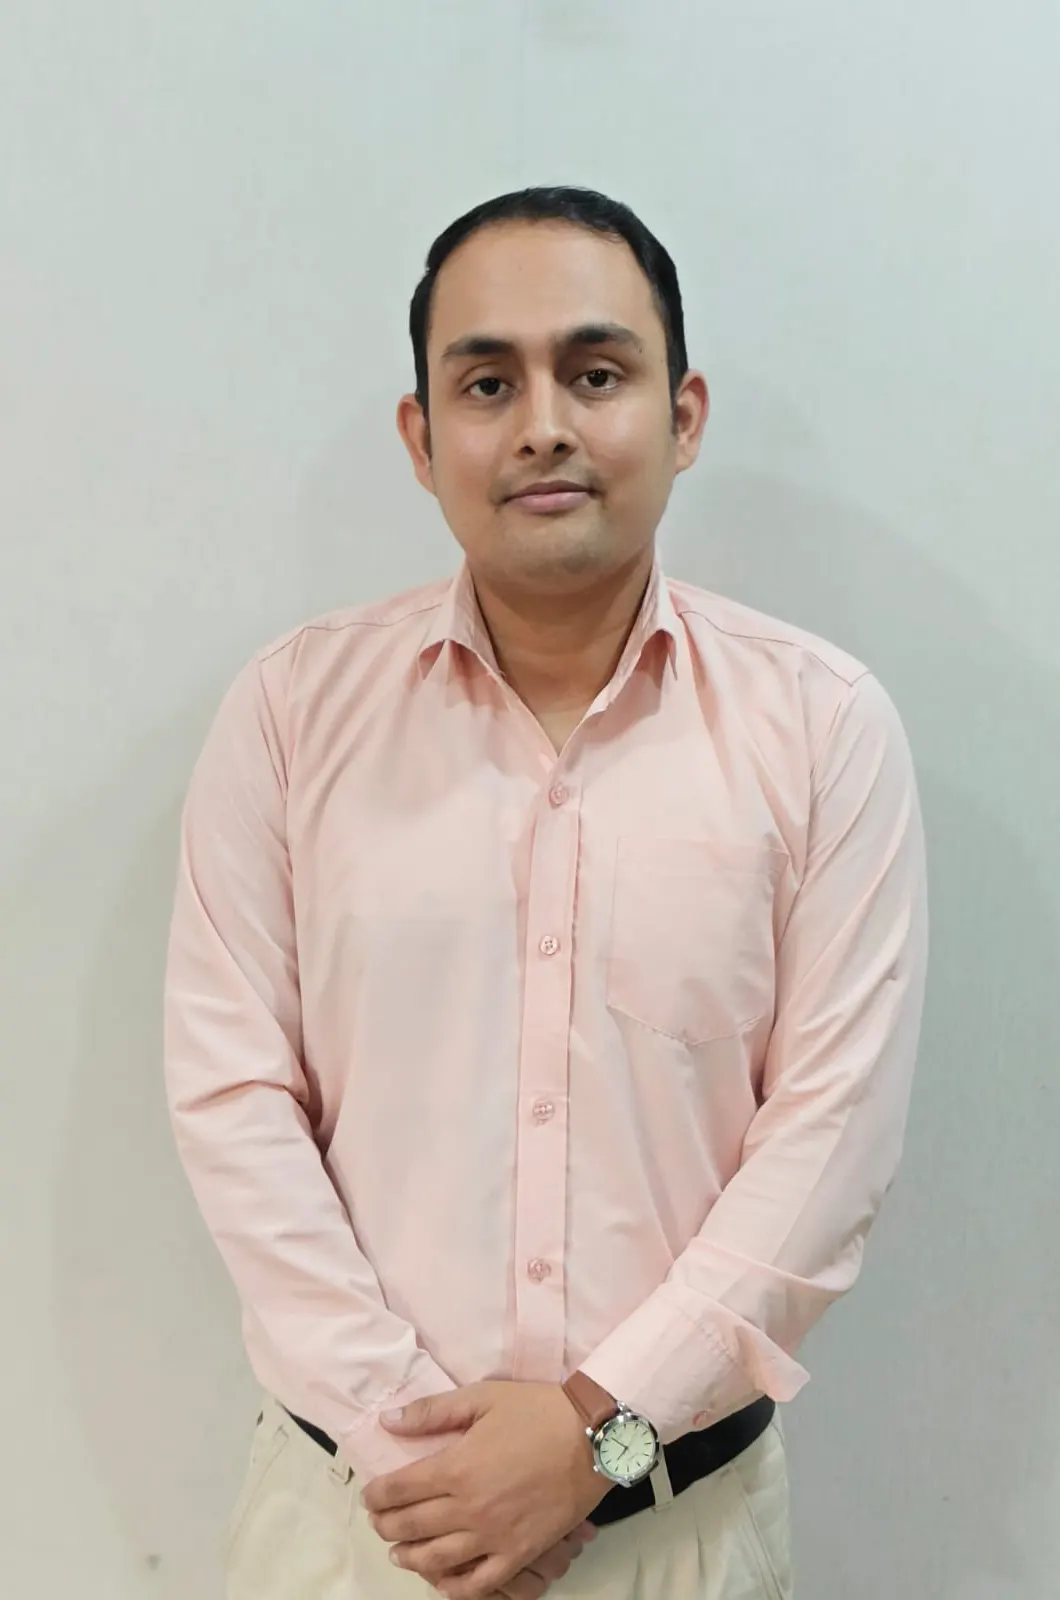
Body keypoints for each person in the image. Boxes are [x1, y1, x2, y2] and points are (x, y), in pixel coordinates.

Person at [163, 185, 928, 1600]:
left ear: (683, 416)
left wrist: (596, 1442)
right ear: (421, 438)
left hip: (678, 1528)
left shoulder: (823, 729)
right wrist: (413, 1460)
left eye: (595, 373)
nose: (542, 426)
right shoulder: (289, 714)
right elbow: (235, 1098)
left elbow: (830, 1146)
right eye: (487, 383)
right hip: (352, 1528)